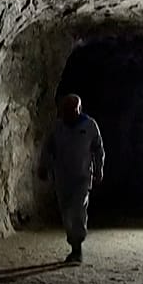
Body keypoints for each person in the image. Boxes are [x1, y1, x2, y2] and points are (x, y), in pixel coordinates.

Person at [37, 94, 105, 264]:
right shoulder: (58, 127)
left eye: (72, 110)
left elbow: (98, 149)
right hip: (62, 177)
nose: (68, 113)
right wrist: (44, 166)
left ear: (79, 109)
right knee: (66, 212)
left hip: (82, 176)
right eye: (65, 110)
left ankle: (77, 248)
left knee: (77, 210)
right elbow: (48, 147)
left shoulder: (89, 126)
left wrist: (98, 169)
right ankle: (73, 244)